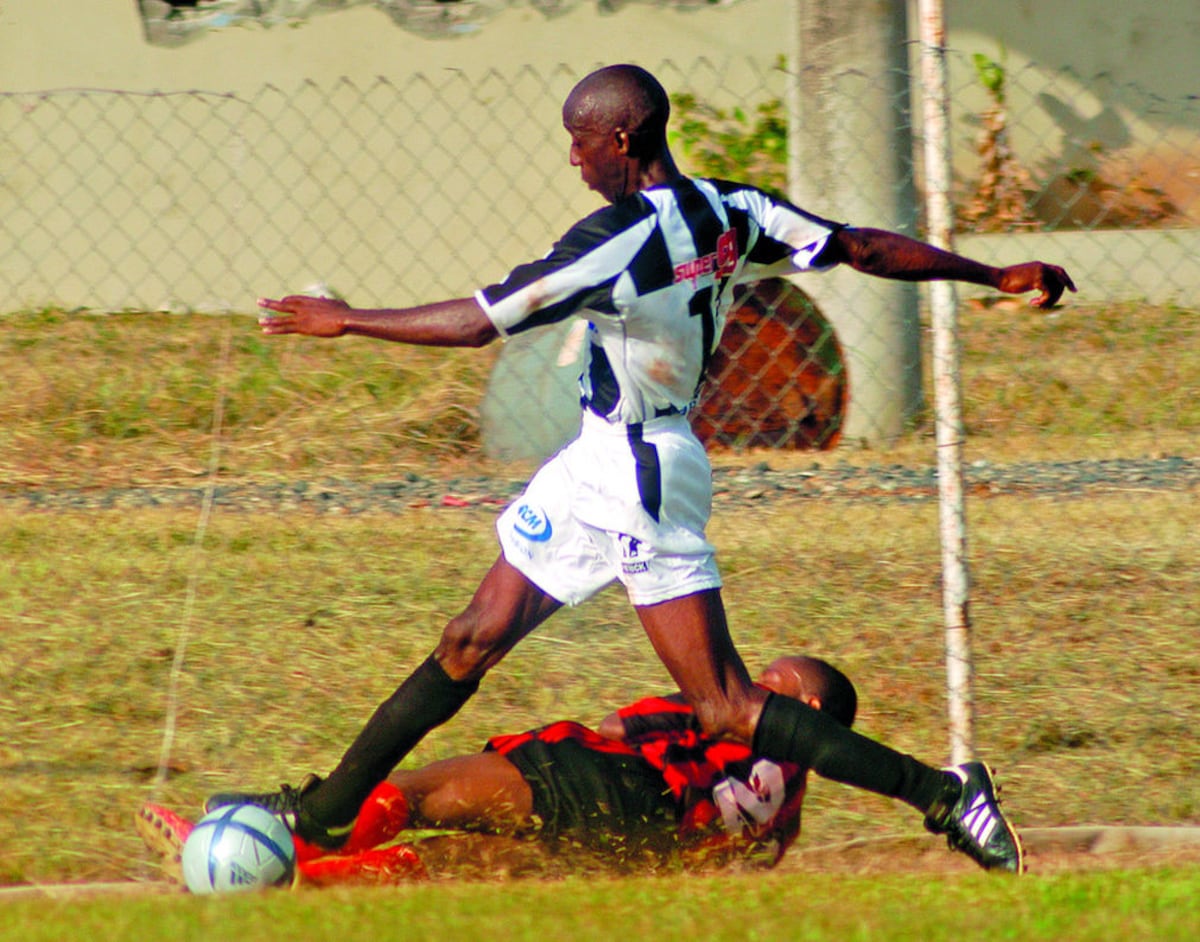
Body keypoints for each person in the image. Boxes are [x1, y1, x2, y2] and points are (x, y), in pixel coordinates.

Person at [209, 63, 1076, 875]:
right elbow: (862, 249)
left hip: (643, 469)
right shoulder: (731, 209)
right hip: (596, 456)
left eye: (580, 141)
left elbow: (481, 323)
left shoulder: (615, 240)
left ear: (620, 141)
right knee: (470, 639)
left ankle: (944, 795)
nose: (573, 158)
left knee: (726, 706)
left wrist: (348, 320)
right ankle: (325, 812)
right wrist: (993, 272)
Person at [142, 656, 856, 884]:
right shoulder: (787, 815)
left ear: (810, 701)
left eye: (777, 675)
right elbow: (721, 874)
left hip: (613, 783)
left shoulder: (734, 713)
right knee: (450, 867)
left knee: (417, 796)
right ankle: (299, 887)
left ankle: (274, 845)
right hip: (637, 853)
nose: (757, 677)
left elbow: (620, 728)